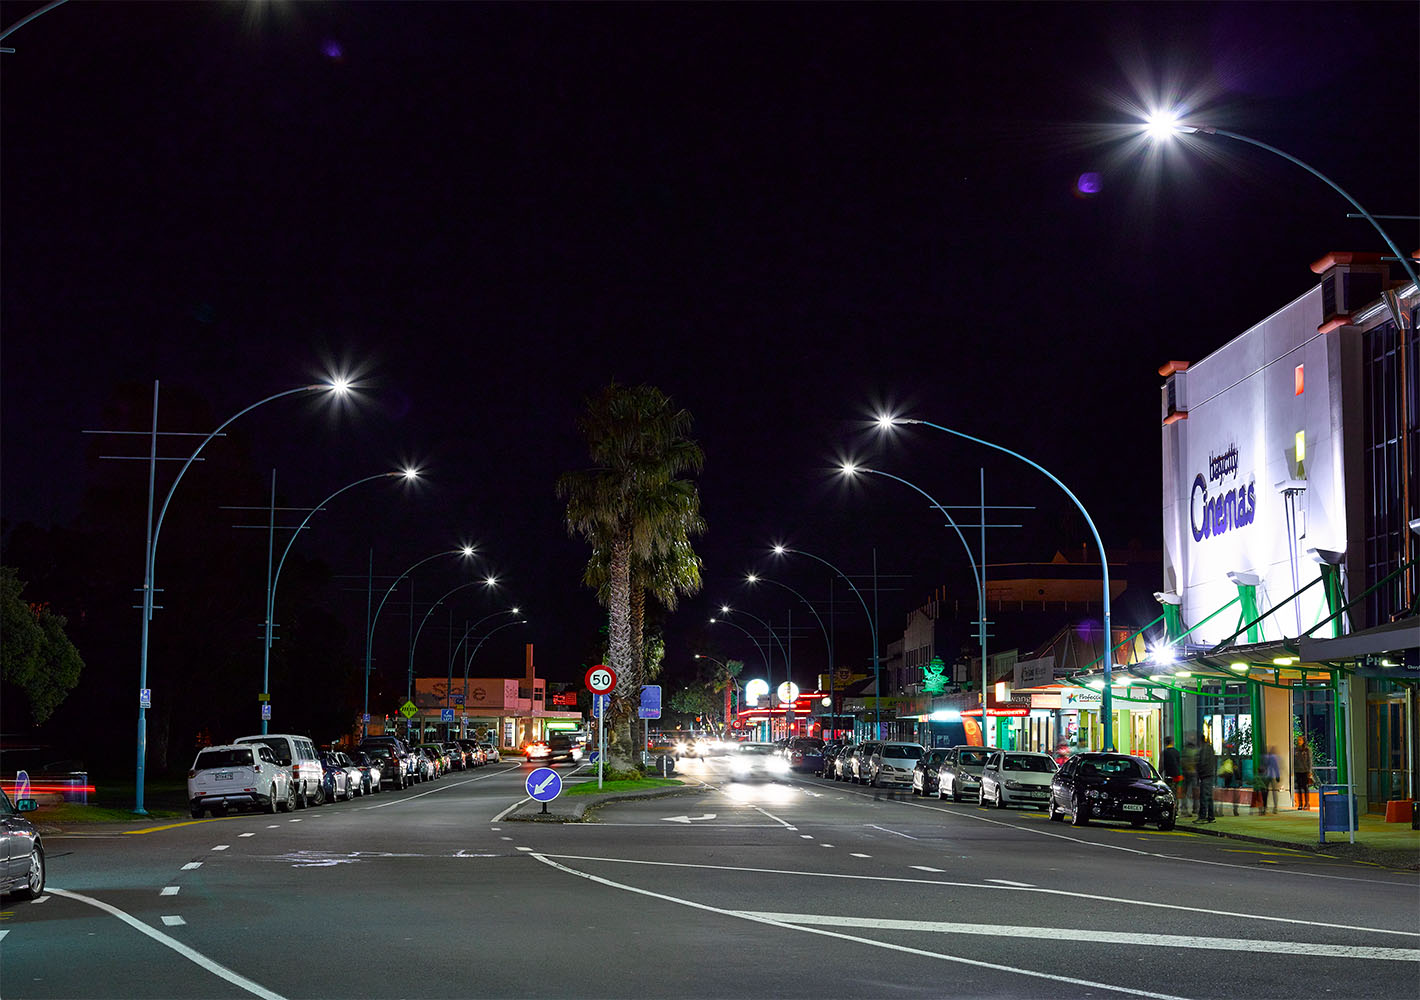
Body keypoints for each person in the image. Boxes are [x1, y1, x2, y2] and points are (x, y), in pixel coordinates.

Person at [1195, 737, 1217, 823]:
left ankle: (1202, 816)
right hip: (1209, 774)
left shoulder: (1204, 750)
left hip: (1205, 775)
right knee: (1209, 797)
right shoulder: (1210, 748)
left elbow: (1202, 763)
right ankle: (1211, 816)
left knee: (1204, 796)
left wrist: (1199, 773)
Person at [1220, 743, 1240, 816]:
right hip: (1232, 779)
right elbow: (1236, 769)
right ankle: (1235, 810)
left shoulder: (1222, 759)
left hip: (1225, 779)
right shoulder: (1232, 759)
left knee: (1223, 795)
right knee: (1235, 796)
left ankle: (1220, 810)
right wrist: (1238, 778)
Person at [1180, 739, 1199, 817]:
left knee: (1185, 791)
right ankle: (1195, 808)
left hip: (1186, 773)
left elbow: (1181, 762)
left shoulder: (1184, 751)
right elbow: (1198, 762)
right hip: (1194, 773)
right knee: (1195, 791)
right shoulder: (1196, 751)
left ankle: (1184, 807)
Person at [1293, 737, 1313, 810]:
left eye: (1300, 740)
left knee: (1305, 787)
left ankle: (1307, 803)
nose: (1299, 741)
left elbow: (1309, 761)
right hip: (1297, 771)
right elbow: (1293, 761)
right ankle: (1300, 804)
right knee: (1298, 788)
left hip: (1305, 771)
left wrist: (1310, 771)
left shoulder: (1307, 750)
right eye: (1298, 740)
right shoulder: (1295, 750)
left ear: (1304, 741)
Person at [1161, 737, 1182, 802]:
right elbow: (1179, 763)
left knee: (1169, 792)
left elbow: (1162, 765)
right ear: (1172, 742)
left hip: (1169, 776)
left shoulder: (1164, 752)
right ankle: (1176, 806)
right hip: (1177, 775)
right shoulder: (1176, 752)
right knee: (1175, 791)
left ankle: (1172, 804)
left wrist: (1158, 774)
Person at [1261, 745, 1281, 814]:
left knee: (1266, 792)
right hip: (1271, 776)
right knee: (1273, 792)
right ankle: (1274, 807)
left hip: (1267, 776)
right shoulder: (1272, 757)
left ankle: (1265, 807)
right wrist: (1278, 776)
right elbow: (1276, 767)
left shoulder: (1264, 757)